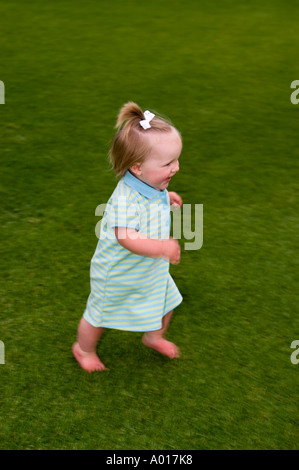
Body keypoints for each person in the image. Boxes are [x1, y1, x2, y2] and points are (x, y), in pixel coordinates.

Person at [72, 102, 183, 372]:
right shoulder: (124, 199)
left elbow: (151, 203)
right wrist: (161, 247)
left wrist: (165, 198)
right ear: (136, 168)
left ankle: (153, 336)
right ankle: (83, 349)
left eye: (176, 159)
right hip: (119, 271)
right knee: (99, 314)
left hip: (148, 269)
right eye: (168, 163)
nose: (176, 167)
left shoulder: (153, 183)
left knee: (167, 301)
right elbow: (126, 237)